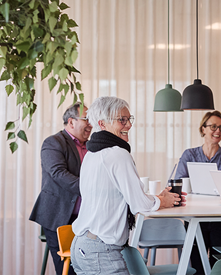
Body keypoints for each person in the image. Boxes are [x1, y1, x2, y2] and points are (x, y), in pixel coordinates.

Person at [70, 96, 184, 275]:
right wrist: (163, 201)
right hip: (101, 251)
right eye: (121, 120)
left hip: (81, 246)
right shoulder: (118, 154)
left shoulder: (92, 154)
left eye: (129, 119)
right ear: (103, 123)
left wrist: (159, 198)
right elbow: (140, 204)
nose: (129, 125)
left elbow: (117, 196)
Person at [29, 102, 92, 275]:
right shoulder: (53, 142)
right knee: (68, 270)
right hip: (59, 216)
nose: (91, 124)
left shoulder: (92, 146)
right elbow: (58, 173)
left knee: (90, 267)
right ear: (71, 122)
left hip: (86, 219)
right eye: (87, 119)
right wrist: (92, 189)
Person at [174, 110, 221, 274]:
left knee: (219, 264)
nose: (218, 131)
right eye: (214, 126)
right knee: (197, 265)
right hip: (195, 216)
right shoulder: (189, 154)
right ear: (203, 129)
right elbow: (180, 183)